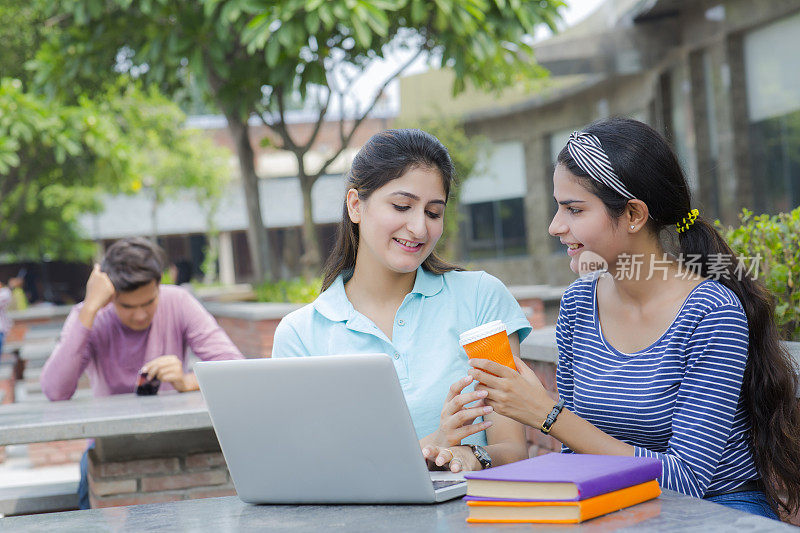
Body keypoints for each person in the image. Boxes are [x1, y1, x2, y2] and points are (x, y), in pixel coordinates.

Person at [467, 118, 800, 520]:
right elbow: (578, 455)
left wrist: (547, 414)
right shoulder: (578, 304)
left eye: (574, 209)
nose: (555, 226)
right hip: (618, 502)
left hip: (717, 509)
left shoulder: (711, 312)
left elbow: (685, 480)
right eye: (559, 207)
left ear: (634, 215)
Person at [272, 129, 531, 473]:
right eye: (402, 206)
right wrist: (434, 443)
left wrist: (472, 454)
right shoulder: (301, 335)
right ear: (355, 206)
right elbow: (308, 470)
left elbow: (512, 449)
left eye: (433, 212)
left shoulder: (480, 298)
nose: (419, 229)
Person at [41, 237, 244, 508]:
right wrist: (89, 307)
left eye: (148, 302)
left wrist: (186, 380)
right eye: (127, 306)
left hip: (177, 439)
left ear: (159, 285)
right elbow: (55, 391)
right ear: (110, 295)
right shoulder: (90, 315)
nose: (139, 315)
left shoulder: (178, 302)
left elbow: (234, 369)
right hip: (109, 444)